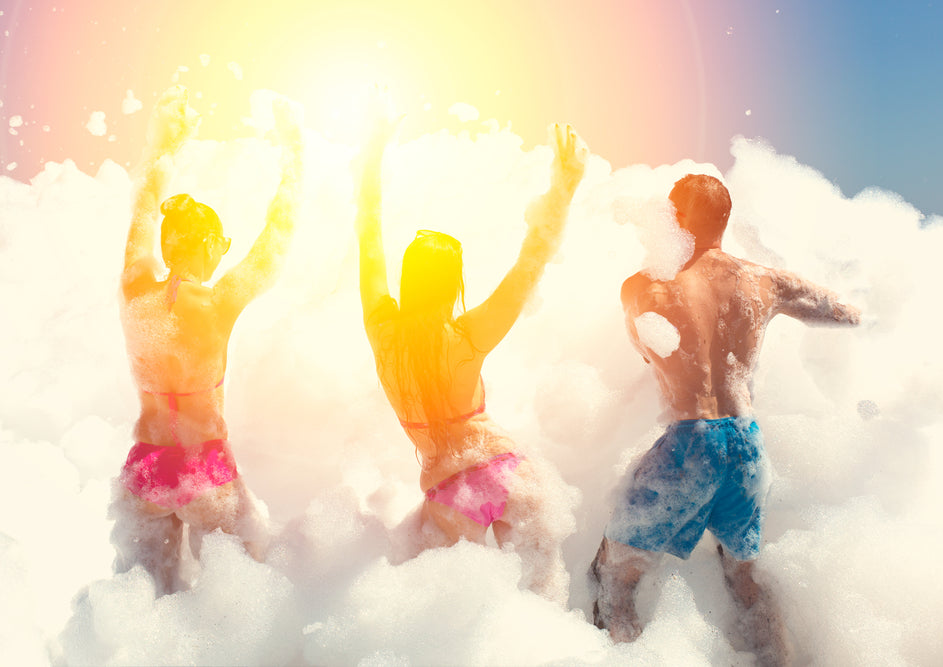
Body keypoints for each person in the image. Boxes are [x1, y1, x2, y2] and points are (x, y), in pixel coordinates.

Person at [590, 174, 861, 660]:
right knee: (744, 579)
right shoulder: (762, 279)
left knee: (615, 572)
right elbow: (839, 311)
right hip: (748, 445)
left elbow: (647, 351)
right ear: (724, 220)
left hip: (690, 443)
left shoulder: (643, 286)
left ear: (673, 219)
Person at [354, 100, 588, 603]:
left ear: (408, 278)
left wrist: (372, 155)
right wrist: (565, 186)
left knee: (463, 619)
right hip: (507, 473)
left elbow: (367, 237)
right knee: (541, 615)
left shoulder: (381, 330)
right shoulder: (467, 334)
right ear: (453, 283)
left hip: (447, 493)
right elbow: (530, 263)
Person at [110, 86, 303, 596]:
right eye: (220, 246)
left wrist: (165, 145)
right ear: (211, 246)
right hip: (204, 469)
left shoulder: (134, 288)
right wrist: (293, 154)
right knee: (239, 599)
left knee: (142, 604)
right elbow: (276, 241)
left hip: (146, 469)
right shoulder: (218, 301)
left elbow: (144, 209)